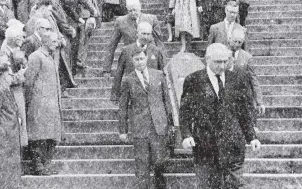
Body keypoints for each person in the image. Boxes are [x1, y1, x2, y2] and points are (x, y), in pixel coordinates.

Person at [180, 43, 261, 189]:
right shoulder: (193, 80)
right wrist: (186, 134)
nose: (223, 66)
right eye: (218, 62)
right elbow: (185, 111)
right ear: (207, 59)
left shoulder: (237, 79)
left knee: (235, 185)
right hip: (205, 146)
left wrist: (252, 137)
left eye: (225, 61)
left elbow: (244, 112)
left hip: (233, 145)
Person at [118, 47, 172, 189]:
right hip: (140, 128)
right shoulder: (128, 80)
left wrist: (170, 122)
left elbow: (166, 100)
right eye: (136, 59)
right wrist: (122, 130)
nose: (140, 62)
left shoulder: (159, 75)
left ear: (146, 58)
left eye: (142, 58)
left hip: (159, 126)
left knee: (160, 164)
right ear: (132, 61)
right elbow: (123, 106)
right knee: (142, 167)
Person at [25, 32, 62, 176]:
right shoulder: (36, 56)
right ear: (45, 42)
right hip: (39, 103)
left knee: (50, 136)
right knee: (38, 135)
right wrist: (30, 101)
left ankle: (46, 165)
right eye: (53, 41)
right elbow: (29, 81)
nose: (56, 43)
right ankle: (38, 166)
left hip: (51, 104)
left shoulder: (51, 56)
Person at [103, 0, 162, 77]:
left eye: (135, 10)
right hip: (131, 61)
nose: (133, 13)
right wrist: (107, 68)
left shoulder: (151, 19)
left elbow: (159, 44)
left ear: (140, 7)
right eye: (130, 11)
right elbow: (112, 45)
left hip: (149, 60)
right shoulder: (120, 21)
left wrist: (163, 66)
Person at [111, 22, 165, 102]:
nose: (146, 37)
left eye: (148, 34)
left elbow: (162, 74)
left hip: (153, 96)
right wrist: (115, 95)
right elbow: (119, 73)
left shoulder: (156, 51)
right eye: (143, 33)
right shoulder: (127, 51)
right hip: (133, 95)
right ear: (137, 33)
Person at [0, 53, 22, 188]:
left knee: (10, 168)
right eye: (10, 75)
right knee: (2, 168)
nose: (12, 78)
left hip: (10, 136)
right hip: (2, 137)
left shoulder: (5, 89)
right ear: (3, 75)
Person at [228, 28, 264, 116]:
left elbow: (253, 80)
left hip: (241, 98)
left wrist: (259, 102)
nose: (236, 44)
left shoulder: (247, 57)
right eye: (235, 41)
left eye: (239, 42)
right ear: (230, 39)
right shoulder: (221, 53)